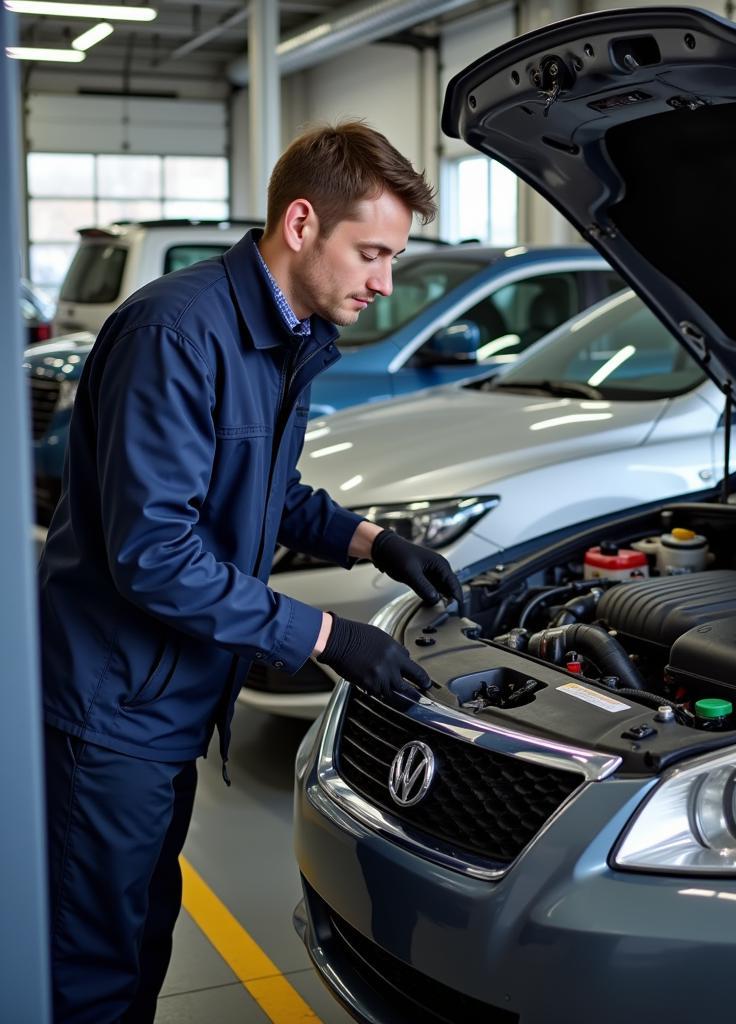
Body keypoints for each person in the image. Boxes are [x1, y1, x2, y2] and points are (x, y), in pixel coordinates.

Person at [37, 121, 463, 1024]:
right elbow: (156, 554)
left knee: (143, 927)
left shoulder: (281, 335)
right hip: (111, 709)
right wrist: (324, 636)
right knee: (92, 961)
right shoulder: (176, 335)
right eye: (373, 252)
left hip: (171, 698)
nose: (385, 282)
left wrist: (372, 541)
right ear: (302, 223)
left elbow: (262, 489)